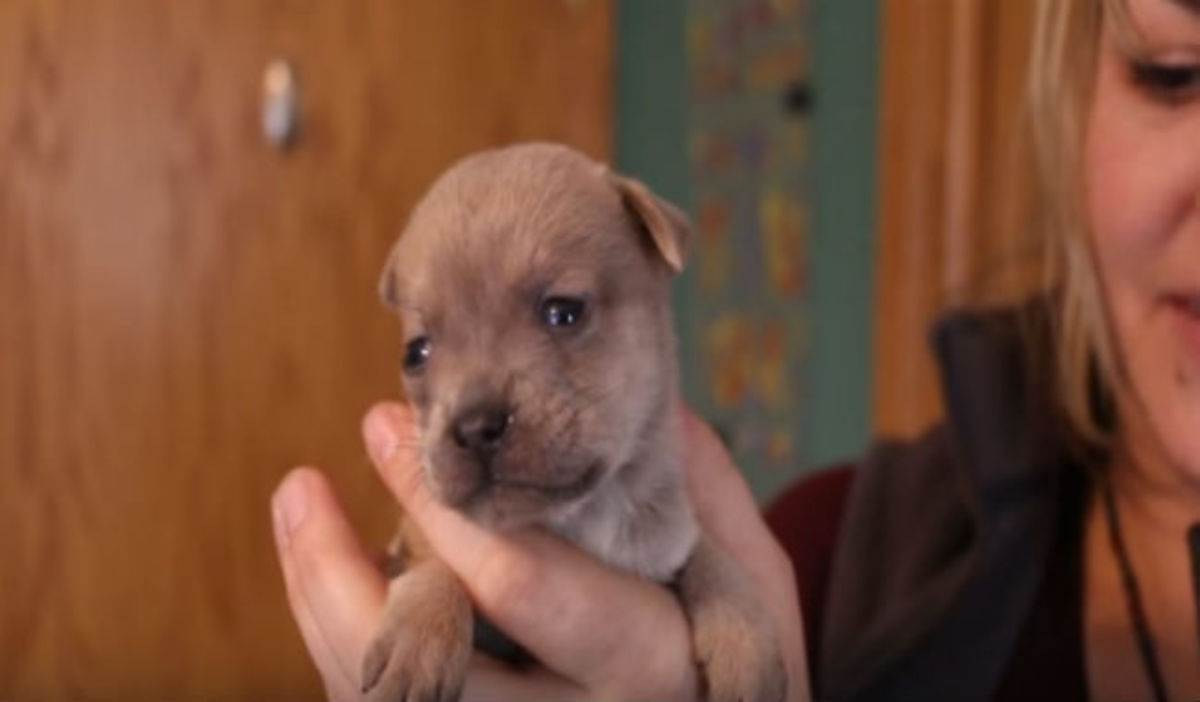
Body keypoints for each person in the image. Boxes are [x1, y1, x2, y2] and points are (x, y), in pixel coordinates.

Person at [271, 0, 1200, 698]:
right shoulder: (828, 561)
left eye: (560, 313)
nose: (471, 409)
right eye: (1176, 70)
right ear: (1068, 96)